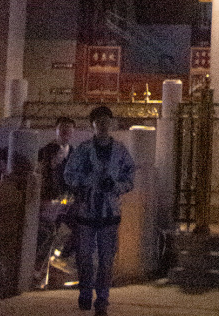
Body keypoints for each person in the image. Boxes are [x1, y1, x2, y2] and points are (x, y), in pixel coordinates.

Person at [63, 105, 135, 315]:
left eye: (106, 121)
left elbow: (130, 177)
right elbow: (69, 174)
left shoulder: (120, 151)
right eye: (99, 122)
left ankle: (102, 298)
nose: (103, 125)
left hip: (110, 212)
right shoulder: (84, 149)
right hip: (87, 210)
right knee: (84, 256)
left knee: (106, 259)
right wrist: (88, 181)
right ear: (92, 125)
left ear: (111, 124)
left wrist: (116, 186)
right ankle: (85, 292)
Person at [35, 117, 76, 288]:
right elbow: (41, 173)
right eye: (62, 128)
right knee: (47, 236)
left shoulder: (73, 152)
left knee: (79, 226)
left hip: (66, 201)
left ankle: (60, 258)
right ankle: (40, 276)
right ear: (56, 129)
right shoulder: (46, 151)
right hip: (49, 202)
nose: (65, 131)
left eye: (69, 128)